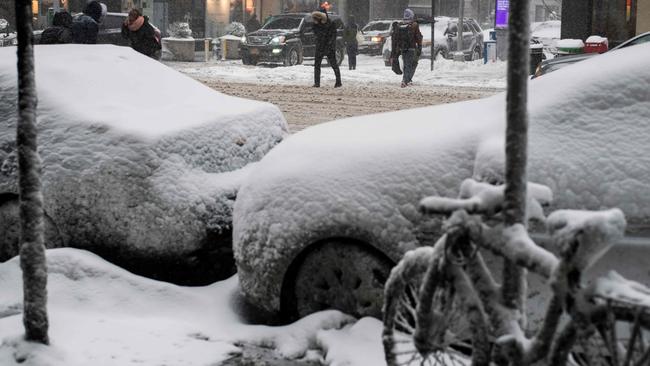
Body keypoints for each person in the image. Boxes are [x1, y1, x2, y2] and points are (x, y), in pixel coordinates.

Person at [311, 8, 341, 88]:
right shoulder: (316, 24)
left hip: (328, 47)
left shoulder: (331, 23)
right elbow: (315, 33)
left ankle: (338, 81)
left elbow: (333, 35)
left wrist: (330, 44)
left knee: (333, 64)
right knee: (317, 65)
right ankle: (317, 83)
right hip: (320, 46)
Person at [395, 9, 422, 87]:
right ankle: (405, 80)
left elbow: (397, 38)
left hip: (403, 48)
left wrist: (398, 48)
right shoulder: (414, 25)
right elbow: (418, 37)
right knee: (411, 64)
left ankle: (407, 79)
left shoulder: (400, 24)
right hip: (411, 48)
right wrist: (419, 46)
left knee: (406, 64)